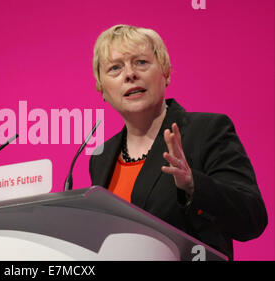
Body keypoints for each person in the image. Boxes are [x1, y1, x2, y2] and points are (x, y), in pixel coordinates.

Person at [89, 24, 267, 260]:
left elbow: (251, 218)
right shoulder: (101, 157)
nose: (130, 74)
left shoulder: (206, 131)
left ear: (166, 72)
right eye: (115, 68)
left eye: (141, 62)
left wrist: (194, 185)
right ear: (102, 89)